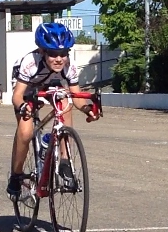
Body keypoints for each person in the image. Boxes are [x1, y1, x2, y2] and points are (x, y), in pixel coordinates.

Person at [7, 22, 99, 198]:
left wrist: (88, 109)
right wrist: (23, 107)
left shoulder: (68, 66)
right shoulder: (30, 63)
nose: (59, 59)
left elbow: (76, 96)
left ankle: (64, 159)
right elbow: (17, 96)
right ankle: (16, 175)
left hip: (50, 85)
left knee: (66, 101)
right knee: (25, 133)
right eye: (53, 54)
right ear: (42, 51)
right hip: (27, 88)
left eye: (63, 54)